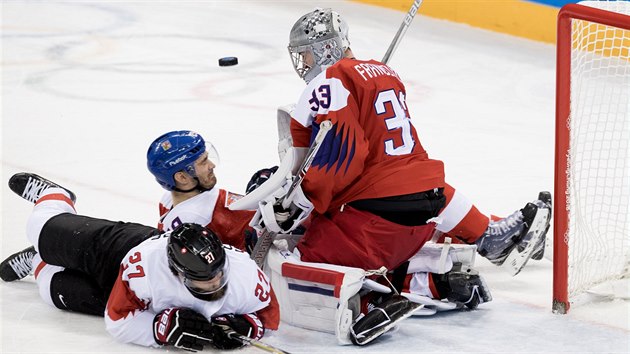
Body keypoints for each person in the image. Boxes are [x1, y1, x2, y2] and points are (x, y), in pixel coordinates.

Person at [251, 7, 551, 307]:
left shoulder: (327, 82)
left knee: (302, 262)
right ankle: (482, 238)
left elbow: (342, 157)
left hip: (378, 216)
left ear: (325, 47)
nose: (303, 63)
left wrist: (303, 199)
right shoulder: (384, 73)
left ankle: (411, 286)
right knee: (411, 180)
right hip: (430, 205)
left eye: (306, 54)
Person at [3, 172, 279, 351]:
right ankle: (56, 198)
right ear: (178, 273)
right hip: (120, 249)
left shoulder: (244, 273)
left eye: (218, 275)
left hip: (140, 300)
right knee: (41, 230)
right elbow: (118, 322)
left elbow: (270, 315)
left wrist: (250, 325)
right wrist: (161, 331)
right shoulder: (145, 266)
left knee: (51, 288)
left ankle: (38, 261)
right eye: (203, 280)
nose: (215, 284)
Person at [1, 130, 258, 282]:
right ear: (181, 177)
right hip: (178, 271)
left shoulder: (180, 202)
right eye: (203, 162)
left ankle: (41, 258)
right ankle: (46, 243)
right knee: (95, 272)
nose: (211, 165)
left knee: (88, 277)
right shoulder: (190, 214)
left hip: (200, 271)